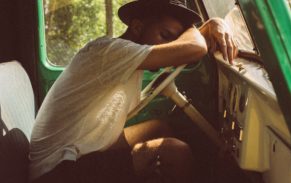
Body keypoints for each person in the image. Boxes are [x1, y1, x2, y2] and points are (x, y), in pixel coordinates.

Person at [29, 0, 238, 183]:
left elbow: (184, 48)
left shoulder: (131, 58)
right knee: (175, 152)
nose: (169, 46)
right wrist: (205, 25)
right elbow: (194, 49)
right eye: (165, 35)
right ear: (137, 27)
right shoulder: (108, 51)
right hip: (58, 172)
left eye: (172, 40)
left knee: (158, 128)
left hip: (82, 152)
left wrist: (209, 26)